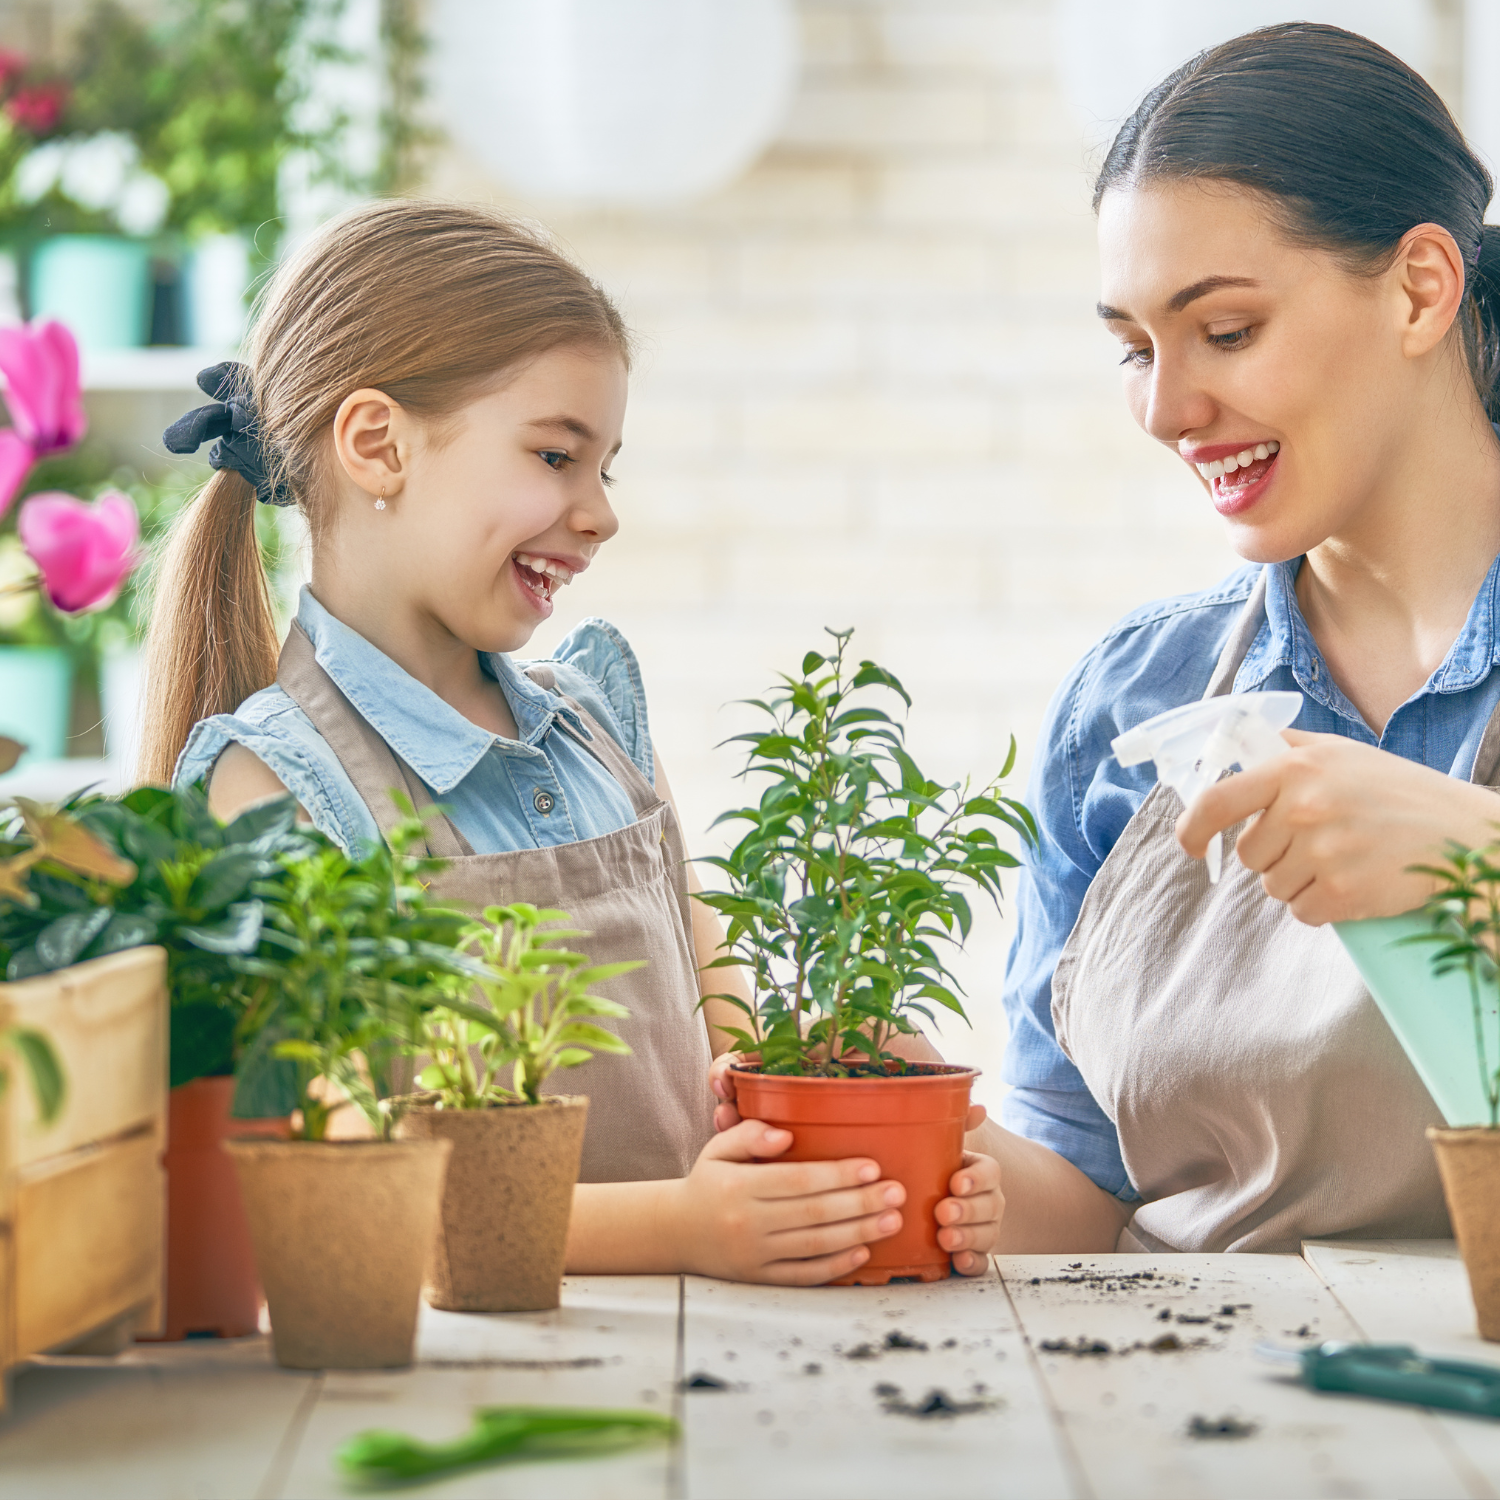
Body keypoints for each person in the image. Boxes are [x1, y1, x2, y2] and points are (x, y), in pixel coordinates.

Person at [143, 199, 1001, 1283]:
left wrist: (884, 1158)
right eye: (557, 456)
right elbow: (330, 1183)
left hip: (712, 1371)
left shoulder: (595, 721)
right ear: (376, 445)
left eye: (607, 468)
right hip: (474, 1391)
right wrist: (685, 1232)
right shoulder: (275, 783)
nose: (598, 513)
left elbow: (728, 1062)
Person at [968, 21, 1500, 1254]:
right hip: (1205, 1419)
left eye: (1226, 331)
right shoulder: (1132, 702)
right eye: (1132, 347)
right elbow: (1085, 1202)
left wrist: (1471, 860)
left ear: (1421, 287)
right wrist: (909, 1129)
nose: (1167, 408)